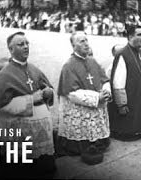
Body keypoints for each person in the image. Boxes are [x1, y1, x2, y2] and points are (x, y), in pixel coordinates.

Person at [0, 32, 56, 178]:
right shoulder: (5, 74)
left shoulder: (34, 69)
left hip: (42, 133)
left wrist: (49, 92)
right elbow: (3, 106)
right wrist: (32, 98)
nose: (26, 47)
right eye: (21, 44)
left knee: (45, 168)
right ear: (11, 49)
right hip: (22, 134)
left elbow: (48, 88)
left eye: (27, 43)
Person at [57, 31, 111, 165]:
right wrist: (97, 97)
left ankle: (97, 143)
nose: (86, 43)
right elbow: (71, 93)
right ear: (73, 46)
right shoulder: (69, 66)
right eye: (81, 41)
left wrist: (106, 91)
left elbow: (105, 80)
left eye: (86, 40)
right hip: (81, 107)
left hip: (97, 103)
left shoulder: (93, 61)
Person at [108, 25, 141, 141]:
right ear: (130, 36)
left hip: (139, 92)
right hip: (129, 95)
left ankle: (139, 130)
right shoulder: (123, 54)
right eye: (139, 35)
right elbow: (118, 82)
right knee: (127, 124)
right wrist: (121, 104)